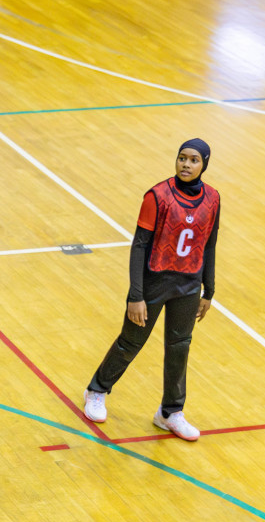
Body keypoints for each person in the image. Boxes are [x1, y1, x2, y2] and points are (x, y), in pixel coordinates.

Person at [82, 139, 220, 441]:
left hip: (188, 285)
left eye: (193, 160)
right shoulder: (157, 196)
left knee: (179, 347)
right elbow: (139, 246)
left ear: (204, 164)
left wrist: (208, 290)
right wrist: (136, 295)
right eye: (181, 158)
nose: (186, 164)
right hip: (155, 281)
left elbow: (209, 245)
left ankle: (170, 412)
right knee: (131, 343)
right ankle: (97, 390)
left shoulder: (213, 199)